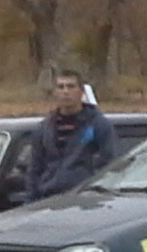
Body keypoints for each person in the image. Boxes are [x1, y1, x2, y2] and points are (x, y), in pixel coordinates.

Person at [22, 69, 116, 201]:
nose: (65, 91)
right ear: (55, 92)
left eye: (71, 86)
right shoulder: (43, 128)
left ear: (82, 92)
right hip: (48, 198)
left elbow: (108, 164)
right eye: (60, 87)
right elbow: (35, 168)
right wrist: (30, 200)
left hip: (84, 200)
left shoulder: (98, 125)